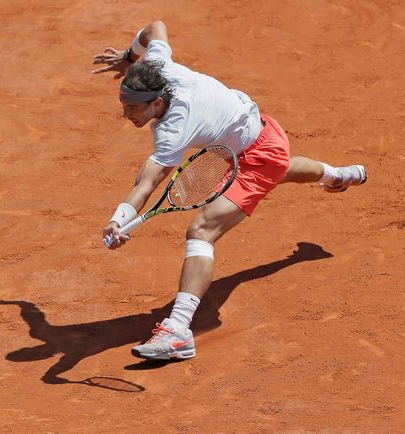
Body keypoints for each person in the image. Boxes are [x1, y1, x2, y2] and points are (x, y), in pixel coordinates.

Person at [92, 21, 366, 360]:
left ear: (157, 102)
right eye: (124, 106)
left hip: (258, 154)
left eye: (132, 108)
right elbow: (156, 28)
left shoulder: (173, 130)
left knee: (201, 229)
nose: (125, 114)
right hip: (256, 134)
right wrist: (131, 56)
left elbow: (146, 183)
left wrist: (118, 219)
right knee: (280, 168)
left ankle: (178, 332)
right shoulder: (158, 67)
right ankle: (336, 174)